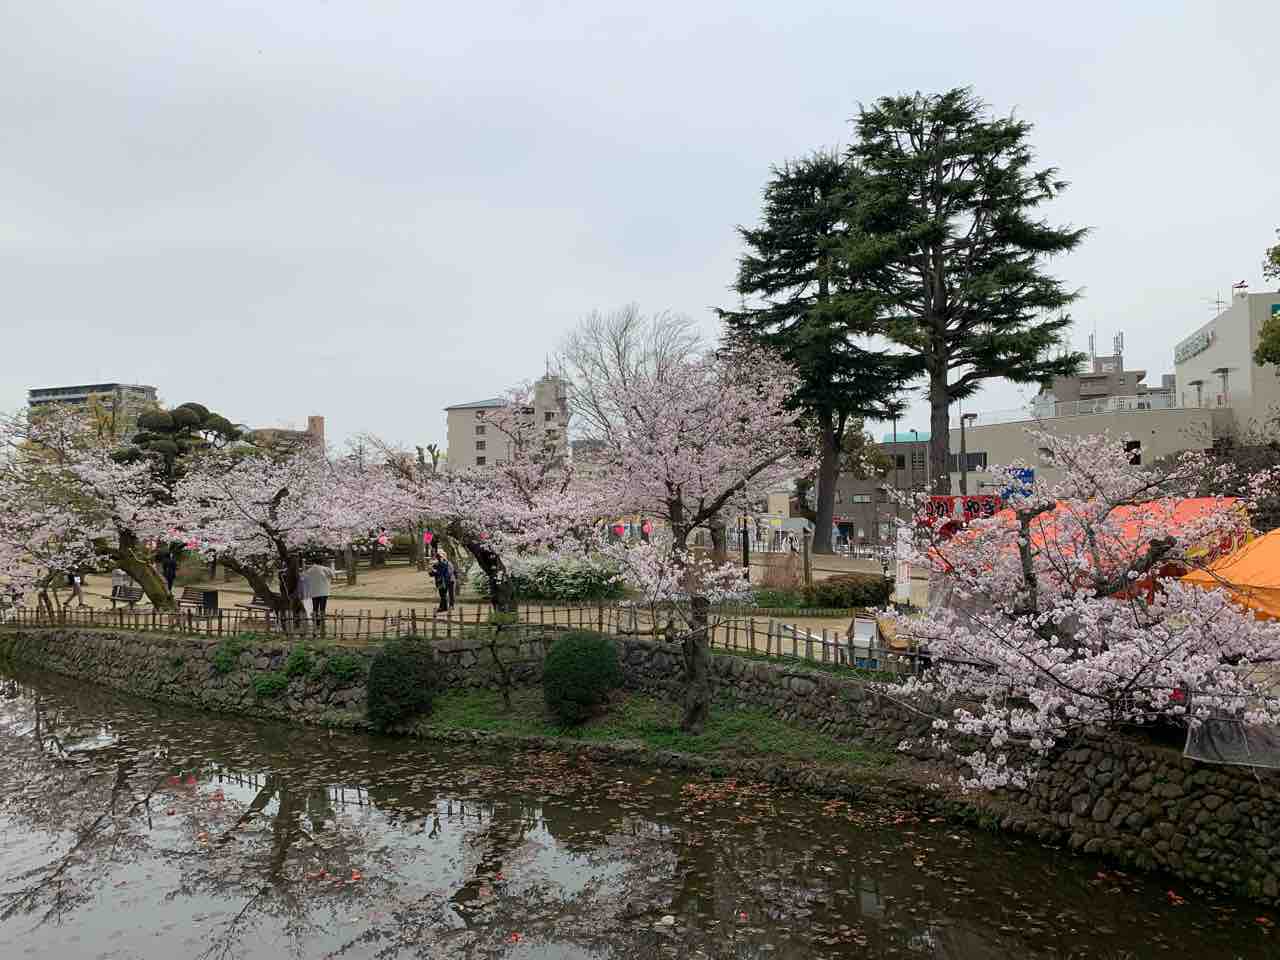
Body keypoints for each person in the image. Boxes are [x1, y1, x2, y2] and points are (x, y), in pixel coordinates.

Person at [302, 557, 333, 631]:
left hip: (314, 592)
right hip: (324, 592)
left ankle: (316, 622)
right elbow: (332, 575)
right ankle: (322, 623)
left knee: (315, 607)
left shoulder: (310, 570)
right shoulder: (325, 569)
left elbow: (304, 577)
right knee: (322, 608)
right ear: (321, 562)